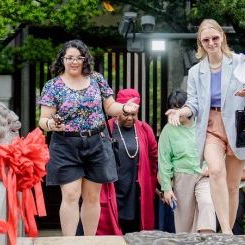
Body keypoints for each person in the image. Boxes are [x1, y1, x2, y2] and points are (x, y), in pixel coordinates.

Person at [165, 19, 245, 234]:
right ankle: (226, 230)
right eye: (206, 39)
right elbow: (193, 104)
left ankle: (228, 232)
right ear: (200, 42)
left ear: (222, 38)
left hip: (238, 125)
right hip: (210, 125)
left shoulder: (239, 61)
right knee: (216, 171)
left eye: (215, 38)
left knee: (232, 183)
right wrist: (180, 112)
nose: (211, 43)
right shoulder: (196, 71)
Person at [38, 40, 139, 236]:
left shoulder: (97, 79)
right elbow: (43, 119)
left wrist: (125, 108)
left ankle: (89, 240)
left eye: (79, 58)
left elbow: (110, 107)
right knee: (70, 194)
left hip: (97, 141)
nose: (74, 62)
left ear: (85, 60)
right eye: (69, 58)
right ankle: (69, 241)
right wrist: (51, 125)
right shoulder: (52, 86)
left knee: (92, 197)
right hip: (65, 143)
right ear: (62, 60)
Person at [98, 88, 158, 235]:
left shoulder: (145, 129)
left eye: (133, 114)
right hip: (113, 188)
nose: (130, 118)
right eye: (126, 114)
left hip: (136, 191)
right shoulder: (106, 128)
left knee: (136, 230)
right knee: (110, 230)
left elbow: (153, 158)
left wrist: (150, 185)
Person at [159, 89, 216, 234]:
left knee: (207, 203)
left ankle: (207, 240)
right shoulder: (168, 130)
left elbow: (217, 147)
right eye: (173, 108)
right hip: (182, 177)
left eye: (180, 108)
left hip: (203, 175)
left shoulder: (203, 125)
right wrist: (166, 188)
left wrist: (211, 165)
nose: (177, 112)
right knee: (184, 223)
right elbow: (164, 161)